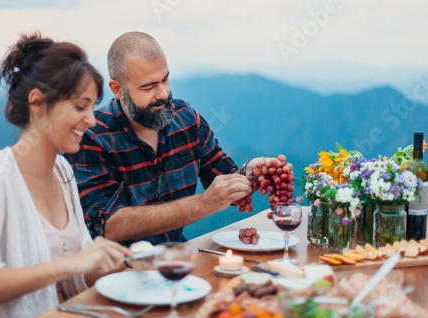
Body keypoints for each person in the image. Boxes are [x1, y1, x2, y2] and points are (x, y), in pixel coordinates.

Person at [0, 32, 135, 318]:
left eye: (92, 107)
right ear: (38, 103)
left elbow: (75, 271)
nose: (91, 119)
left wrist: (121, 262)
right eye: (80, 106)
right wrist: (71, 265)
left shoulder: (63, 171)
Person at [65, 31, 275, 246]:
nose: (164, 93)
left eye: (165, 79)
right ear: (118, 89)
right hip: (120, 270)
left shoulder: (186, 119)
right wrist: (204, 203)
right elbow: (109, 226)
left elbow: (221, 177)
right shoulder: (92, 137)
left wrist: (247, 173)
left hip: (176, 260)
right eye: (149, 86)